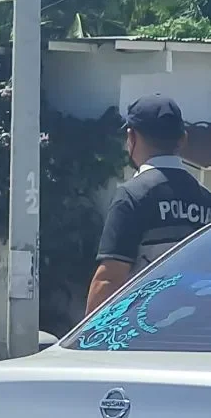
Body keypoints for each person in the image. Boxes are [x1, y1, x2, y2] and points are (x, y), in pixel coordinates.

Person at [86, 94, 211, 314]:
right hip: (195, 330)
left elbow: (109, 279)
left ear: (131, 137)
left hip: (146, 332)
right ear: (182, 140)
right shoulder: (205, 198)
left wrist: (86, 343)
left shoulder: (133, 196)